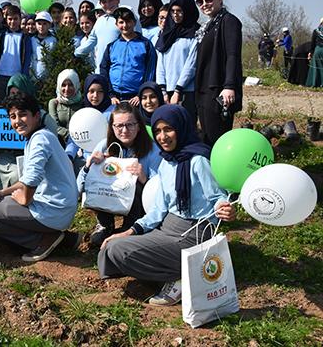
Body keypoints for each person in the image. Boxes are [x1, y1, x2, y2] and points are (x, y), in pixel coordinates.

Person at [98, 104, 236, 306]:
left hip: (192, 232)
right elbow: (159, 210)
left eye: (168, 129)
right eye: (158, 131)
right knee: (113, 246)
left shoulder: (198, 161)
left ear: (181, 128)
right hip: (166, 227)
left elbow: (217, 198)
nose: (163, 137)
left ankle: (181, 278)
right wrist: (131, 231)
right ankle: (174, 275)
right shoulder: (167, 162)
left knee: (119, 250)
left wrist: (225, 208)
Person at [0, 92, 79, 262]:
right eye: (12, 116)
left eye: (23, 114)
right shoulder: (38, 137)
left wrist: (24, 199)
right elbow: (26, 179)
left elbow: (31, 180)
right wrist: (2, 193)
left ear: (36, 116)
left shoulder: (39, 140)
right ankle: (64, 239)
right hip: (58, 208)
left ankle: (43, 240)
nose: (17, 121)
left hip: (52, 210)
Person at [79, 102, 162, 249]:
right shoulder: (104, 146)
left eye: (130, 125)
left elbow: (159, 192)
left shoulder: (153, 149)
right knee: (100, 177)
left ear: (139, 126)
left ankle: (131, 226)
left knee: (134, 182)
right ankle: (105, 225)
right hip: (110, 199)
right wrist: (89, 166)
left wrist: (144, 178)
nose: (124, 130)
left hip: (139, 205)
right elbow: (79, 186)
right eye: (119, 125)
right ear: (112, 127)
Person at [194, 0, 243, 146]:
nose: (204, 4)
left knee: (217, 138)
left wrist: (229, 86)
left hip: (218, 90)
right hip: (204, 89)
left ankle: (218, 170)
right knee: (207, 137)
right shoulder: (207, 26)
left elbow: (232, 55)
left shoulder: (228, 21)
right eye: (199, 1)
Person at [75, 0, 142, 73]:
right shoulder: (99, 21)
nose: (108, 4)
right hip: (101, 72)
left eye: (111, 0)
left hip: (122, 71)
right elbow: (91, 41)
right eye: (104, 2)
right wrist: (75, 53)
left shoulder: (127, 15)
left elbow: (138, 40)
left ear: (118, 0)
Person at [155, 0, 199, 124]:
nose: (175, 14)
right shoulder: (167, 33)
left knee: (186, 125)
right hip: (167, 91)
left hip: (186, 91)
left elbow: (191, 65)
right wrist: (162, 91)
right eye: (173, 11)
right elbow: (161, 64)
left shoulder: (195, 33)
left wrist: (178, 90)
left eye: (179, 11)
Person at [100, 6, 156, 105]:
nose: (125, 25)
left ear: (134, 22)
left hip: (136, 98)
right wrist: (110, 94)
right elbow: (104, 69)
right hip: (114, 99)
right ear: (116, 24)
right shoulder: (112, 46)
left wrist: (141, 94)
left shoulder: (145, 44)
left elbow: (150, 71)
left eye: (128, 21)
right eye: (121, 22)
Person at [65, 74, 114, 172]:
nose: (95, 96)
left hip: (108, 160)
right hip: (86, 161)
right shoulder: (82, 113)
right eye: (91, 91)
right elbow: (75, 139)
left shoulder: (113, 112)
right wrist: (68, 156)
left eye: (100, 91)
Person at [0, 5, 33, 90]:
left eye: (15, 19)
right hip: (1, 74)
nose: (12, 22)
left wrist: (24, 75)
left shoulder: (25, 37)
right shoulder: (1, 36)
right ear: (6, 19)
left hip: (17, 76)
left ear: (20, 19)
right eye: (10, 19)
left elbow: (27, 58)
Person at [47, 69, 82, 145]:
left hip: (80, 143)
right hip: (58, 144)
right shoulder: (54, 103)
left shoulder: (82, 103)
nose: (67, 89)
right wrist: (70, 135)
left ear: (76, 85)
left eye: (70, 85)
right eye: (63, 85)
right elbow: (54, 126)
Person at [29, 11, 57, 80]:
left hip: (48, 78)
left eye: (44, 24)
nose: (41, 26)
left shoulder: (53, 40)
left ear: (49, 25)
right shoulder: (31, 39)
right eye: (39, 24)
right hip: (33, 77)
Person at [306, 17, 323, 87]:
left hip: (318, 51)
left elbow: (312, 43)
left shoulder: (316, 31)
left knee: (316, 67)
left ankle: (315, 83)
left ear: (320, 23)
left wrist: (310, 52)